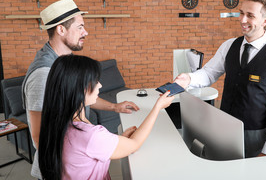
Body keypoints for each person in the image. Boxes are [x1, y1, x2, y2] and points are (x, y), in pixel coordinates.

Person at [21, 0, 139, 178]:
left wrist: (114, 107)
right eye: (80, 27)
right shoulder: (43, 74)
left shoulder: (64, 61)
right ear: (61, 29)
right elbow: (39, 136)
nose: (86, 32)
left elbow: (79, 95)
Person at [175, 0, 266, 158]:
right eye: (241, 13)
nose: (243, 20)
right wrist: (189, 78)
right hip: (225, 127)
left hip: (255, 135)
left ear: (265, 20)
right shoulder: (229, 45)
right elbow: (209, 73)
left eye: (250, 15)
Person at [38, 55, 174, 179]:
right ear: (80, 88)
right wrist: (158, 107)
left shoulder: (58, 122)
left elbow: (90, 151)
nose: (100, 85)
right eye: (95, 81)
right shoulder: (88, 134)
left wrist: (114, 140)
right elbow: (134, 145)